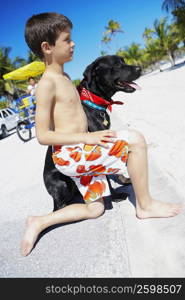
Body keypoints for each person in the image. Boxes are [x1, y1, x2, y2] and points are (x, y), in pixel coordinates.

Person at [21, 12, 182, 257]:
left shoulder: (64, 77)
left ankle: (39, 221)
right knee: (136, 140)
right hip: (71, 155)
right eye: (67, 40)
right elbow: (43, 135)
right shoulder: (47, 84)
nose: (73, 43)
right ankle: (146, 205)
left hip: (78, 153)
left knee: (95, 209)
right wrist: (87, 138)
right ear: (47, 47)